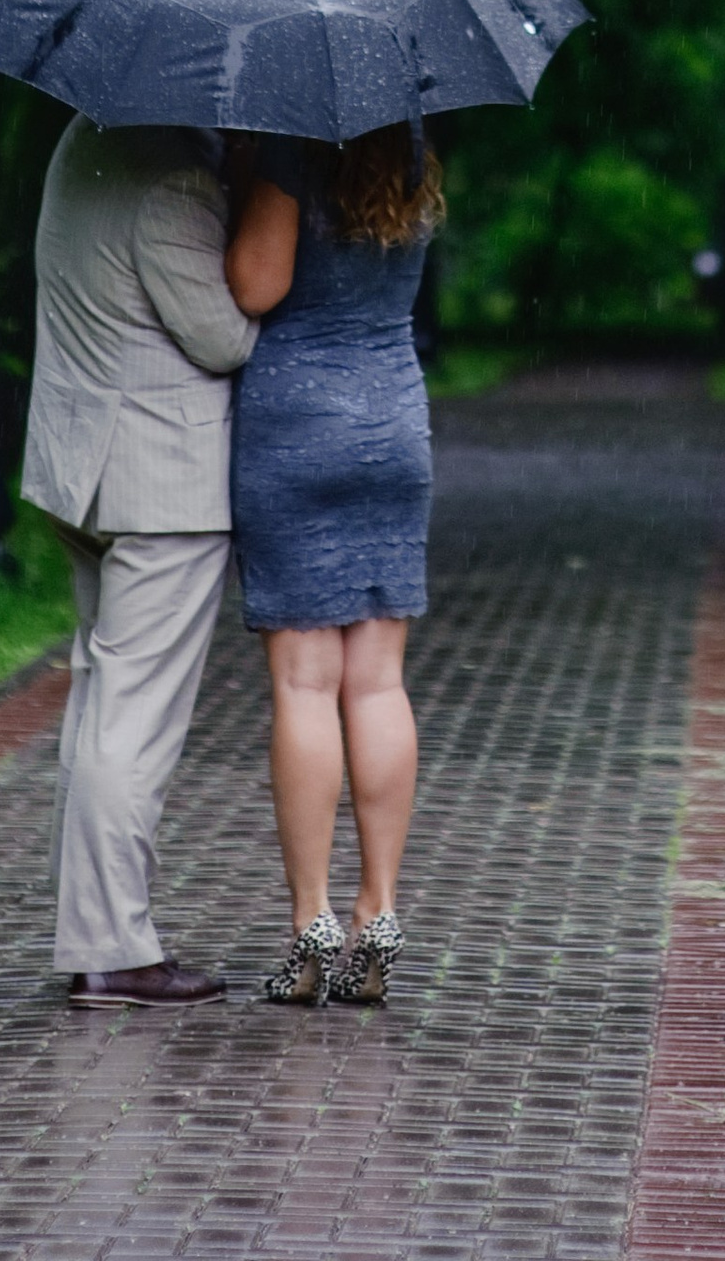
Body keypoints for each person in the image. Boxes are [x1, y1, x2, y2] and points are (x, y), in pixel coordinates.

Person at [20, 112, 259, 1007]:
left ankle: (91, 929)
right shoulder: (175, 180)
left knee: (99, 699)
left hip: (82, 465)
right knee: (133, 721)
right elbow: (223, 337)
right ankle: (115, 948)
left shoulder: (82, 136)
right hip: (160, 483)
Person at [224, 120, 442, 1006]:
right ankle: (379, 909)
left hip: (297, 426)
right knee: (379, 681)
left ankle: (311, 920)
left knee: (306, 683)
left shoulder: (292, 152)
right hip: (394, 420)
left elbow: (257, 282)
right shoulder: (415, 150)